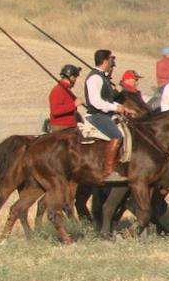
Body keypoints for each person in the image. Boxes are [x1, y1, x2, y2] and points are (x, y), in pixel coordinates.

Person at [83, 49, 136, 182]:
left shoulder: (102, 77)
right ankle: (109, 171)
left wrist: (126, 109)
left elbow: (107, 99)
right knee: (117, 135)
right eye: (111, 60)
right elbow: (96, 102)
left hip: (105, 113)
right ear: (105, 61)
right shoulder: (95, 78)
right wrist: (116, 107)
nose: (113, 63)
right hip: (96, 115)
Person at [47, 65, 82, 131]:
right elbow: (55, 110)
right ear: (71, 77)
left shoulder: (65, 89)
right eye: (75, 78)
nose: (75, 80)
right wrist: (74, 104)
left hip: (69, 127)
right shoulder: (58, 90)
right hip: (63, 128)